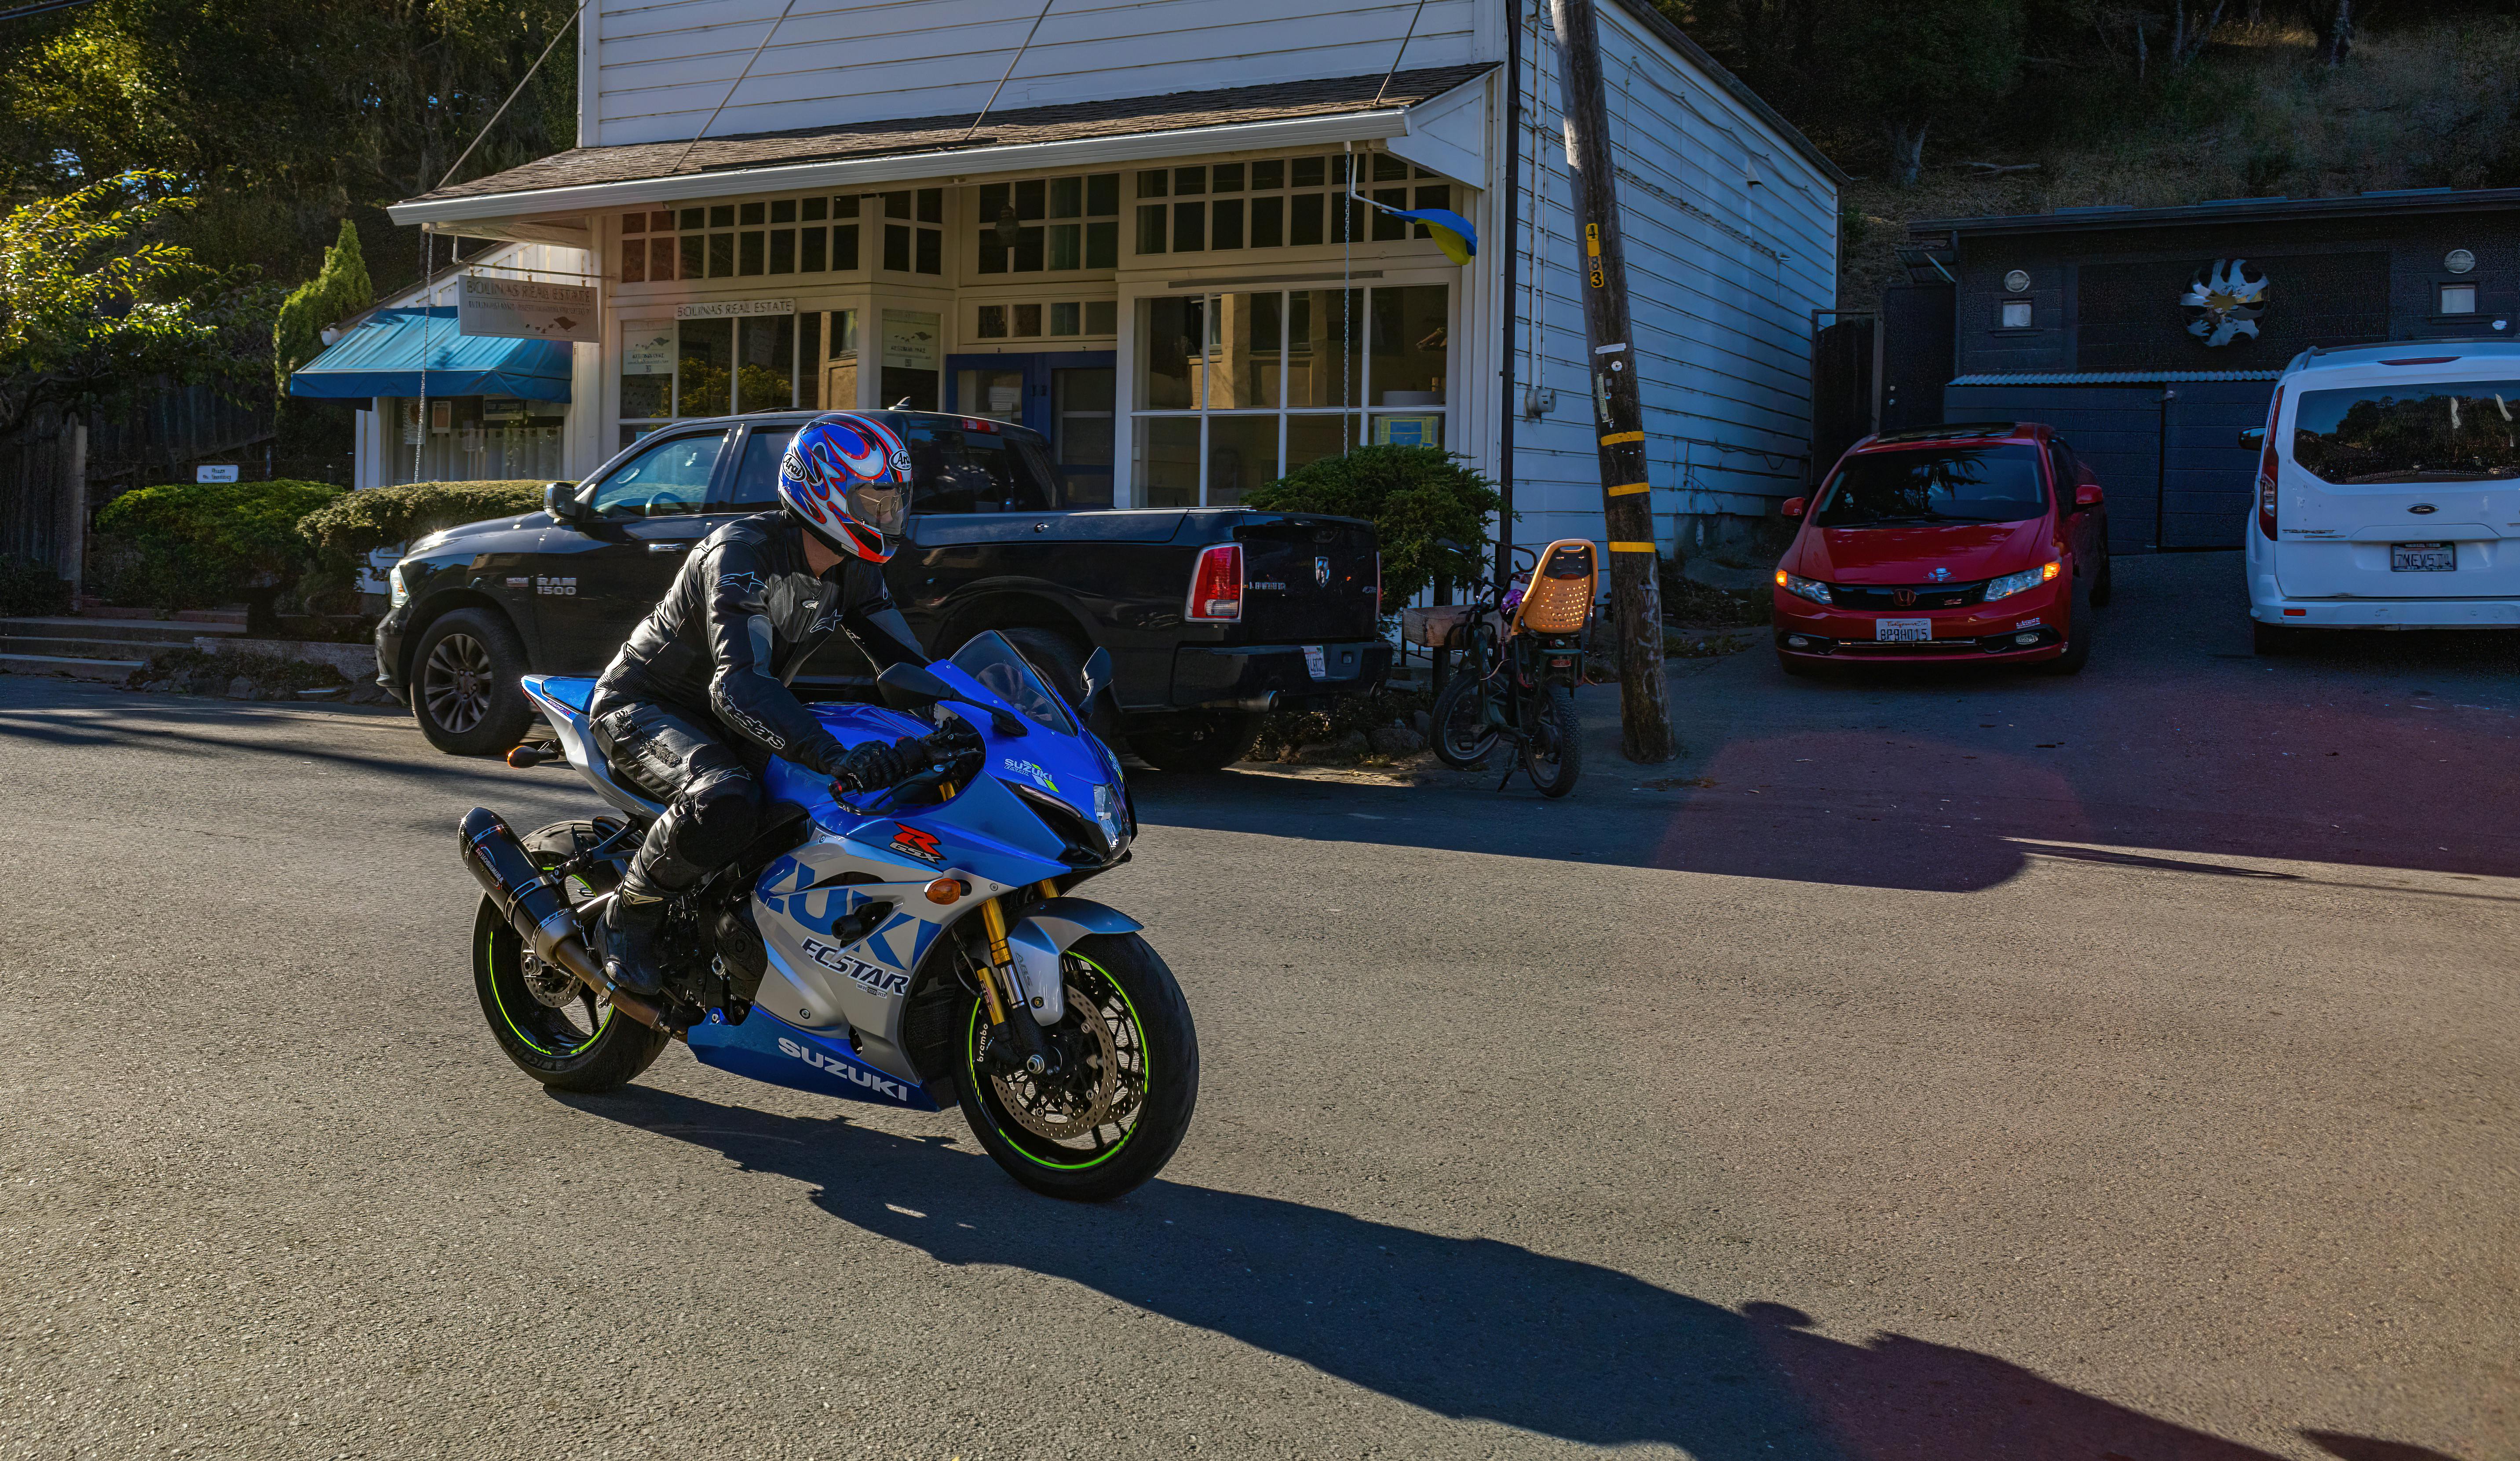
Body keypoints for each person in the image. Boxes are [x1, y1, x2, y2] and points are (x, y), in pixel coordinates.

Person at [585, 412, 971, 995]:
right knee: (724, 797)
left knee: (817, 810)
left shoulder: (854, 571)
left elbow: (911, 667)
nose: (886, 514)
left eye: (892, 500)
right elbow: (735, 684)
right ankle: (628, 917)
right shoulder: (740, 552)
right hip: (645, 706)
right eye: (871, 499)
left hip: (739, 712)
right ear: (820, 491)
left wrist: (973, 718)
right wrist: (832, 753)